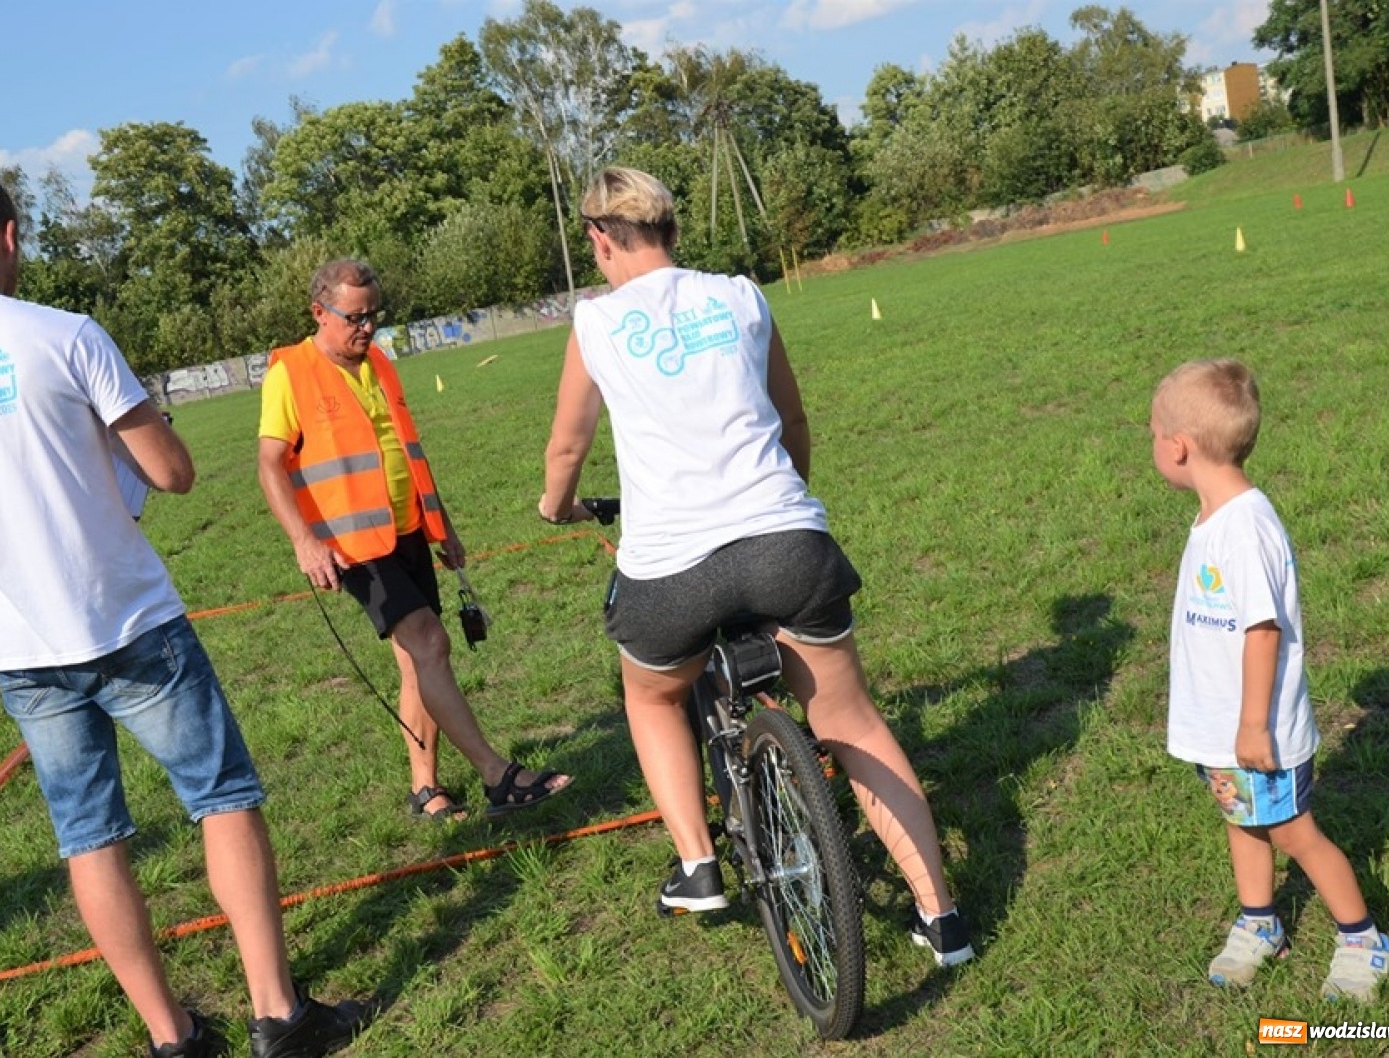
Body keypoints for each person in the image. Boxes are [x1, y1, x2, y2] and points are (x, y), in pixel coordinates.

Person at [0, 171, 373, 1058]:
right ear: (10, 237)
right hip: (132, 623)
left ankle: (172, 1038)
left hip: (21, 649)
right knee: (223, 800)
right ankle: (278, 1016)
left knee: (89, 839)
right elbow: (172, 471)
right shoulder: (64, 336)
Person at [539, 167, 974, 966]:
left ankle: (700, 864)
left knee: (651, 695)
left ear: (602, 239)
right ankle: (943, 918)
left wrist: (554, 504)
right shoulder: (741, 294)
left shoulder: (595, 322)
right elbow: (793, 418)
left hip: (671, 567)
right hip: (784, 539)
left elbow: (567, 446)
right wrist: (784, 506)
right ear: (669, 229)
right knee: (849, 719)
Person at [256, 258, 572, 822]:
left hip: (406, 530)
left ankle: (425, 790)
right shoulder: (291, 372)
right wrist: (305, 542)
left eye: (374, 315)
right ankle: (498, 776)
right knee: (430, 644)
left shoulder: (378, 362)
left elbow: (407, 449)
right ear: (318, 312)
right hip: (351, 546)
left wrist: (440, 521)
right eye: (354, 317)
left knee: (413, 660)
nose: (367, 327)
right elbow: (269, 465)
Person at [1150, 358, 1389, 1000]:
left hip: (1257, 733)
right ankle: (1261, 922)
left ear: (1178, 447)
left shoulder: (1245, 526)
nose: (1151, 444)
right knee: (1242, 821)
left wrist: (1253, 723)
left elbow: (1263, 630)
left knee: (1294, 832)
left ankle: (1364, 937)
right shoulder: (1214, 516)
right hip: (1224, 733)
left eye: (1152, 432)